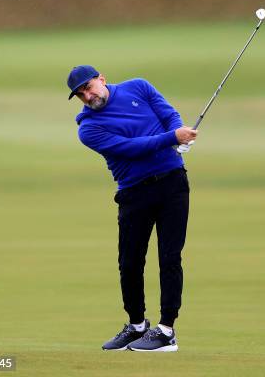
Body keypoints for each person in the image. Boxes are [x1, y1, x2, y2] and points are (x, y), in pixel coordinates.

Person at [67, 65, 197, 352]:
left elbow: (169, 114)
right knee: (130, 262)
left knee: (170, 257)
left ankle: (166, 330)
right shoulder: (88, 129)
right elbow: (132, 148)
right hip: (134, 192)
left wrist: (178, 131)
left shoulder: (138, 86)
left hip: (172, 184)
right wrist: (172, 138)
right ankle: (137, 325)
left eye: (89, 87)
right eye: (80, 95)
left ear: (102, 79)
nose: (87, 96)